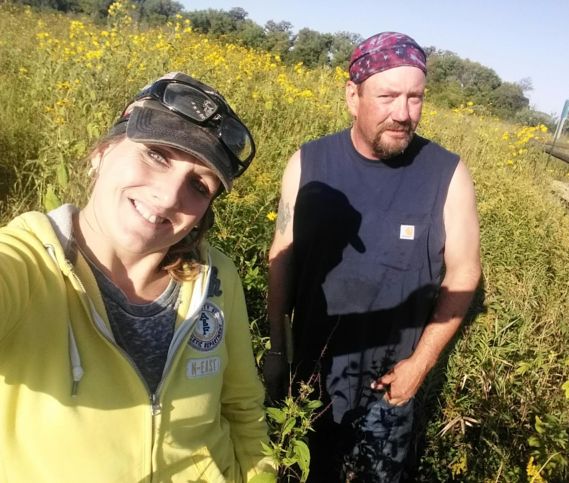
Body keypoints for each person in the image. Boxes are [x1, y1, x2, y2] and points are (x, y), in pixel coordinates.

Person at [0, 72, 275, 482]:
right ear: (102, 152)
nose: (168, 197)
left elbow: (242, 407)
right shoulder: (29, 262)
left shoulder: (217, 276)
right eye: (157, 155)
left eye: (199, 186)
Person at [265, 32, 481, 482]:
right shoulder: (308, 164)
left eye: (415, 98)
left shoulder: (447, 174)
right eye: (387, 96)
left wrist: (419, 365)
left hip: (392, 384)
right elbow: (282, 257)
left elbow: (464, 271)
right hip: (311, 376)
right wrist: (278, 351)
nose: (403, 113)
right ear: (353, 96)